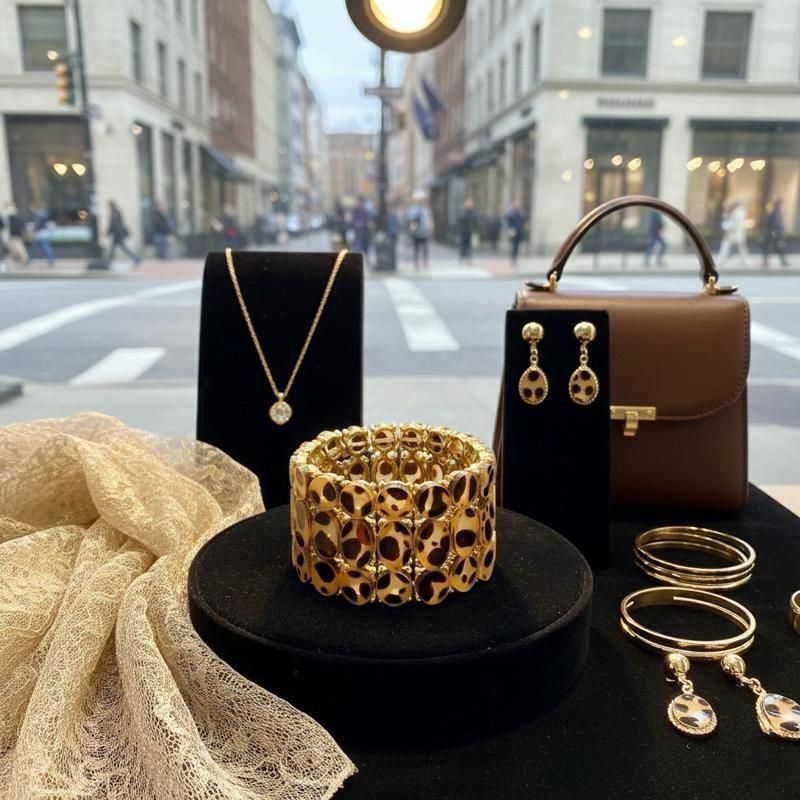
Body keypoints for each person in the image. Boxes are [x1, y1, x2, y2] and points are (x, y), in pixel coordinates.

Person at [105, 201, 140, 266]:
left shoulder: (114, 213)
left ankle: (108, 262)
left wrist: (108, 232)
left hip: (117, 234)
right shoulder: (117, 212)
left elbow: (113, 224)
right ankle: (136, 258)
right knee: (118, 248)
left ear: (110, 206)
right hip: (118, 233)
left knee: (121, 248)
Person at [718, 199, 749, 268]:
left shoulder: (737, 212)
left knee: (726, 246)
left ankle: (721, 260)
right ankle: (746, 262)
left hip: (733, 233)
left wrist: (729, 228)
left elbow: (735, 224)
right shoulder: (741, 212)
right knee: (741, 248)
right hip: (738, 233)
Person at [406, 190, 433, 271]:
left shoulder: (426, 210)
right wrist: (411, 229)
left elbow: (429, 220)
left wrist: (430, 229)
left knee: (425, 248)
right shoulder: (412, 210)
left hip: (424, 232)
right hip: (416, 232)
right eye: (418, 200)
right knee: (416, 248)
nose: (420, 201)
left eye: (421, 200)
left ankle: (425, 262)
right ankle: (416, 263)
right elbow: (410, 220)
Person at [762, 198, 789, 269]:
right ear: (779, 204)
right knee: (777, 247)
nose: (783, 206)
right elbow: (776, 223)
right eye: (782, 204)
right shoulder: (776, 211)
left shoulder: (775, 211)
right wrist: (779, 229)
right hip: (775, 233)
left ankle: (767, 261)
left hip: (774, 233)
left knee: (772, 247)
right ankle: (782, 261)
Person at [457, 197, 478, 263]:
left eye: (471, 203)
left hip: (471, 232)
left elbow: (476, 222)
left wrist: (475, 230)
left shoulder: (474, 213)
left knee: (469, 245)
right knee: (463, 245)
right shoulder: (463, 212)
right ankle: (462, 257)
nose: (469, 205)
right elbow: (460, 221)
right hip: (464, 231)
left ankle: (468, 258)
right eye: (468, 203)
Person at [505, 199, 526, 266]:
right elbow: (508, 221)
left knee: (517, 246)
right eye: (517, 204)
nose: (518, 206)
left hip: (519, 231)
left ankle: (515, 259)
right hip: (513, 231)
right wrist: (509, 229)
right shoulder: (511, 212)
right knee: (513, 245)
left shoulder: (520, 213)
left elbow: (523, 221)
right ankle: (513, 259)